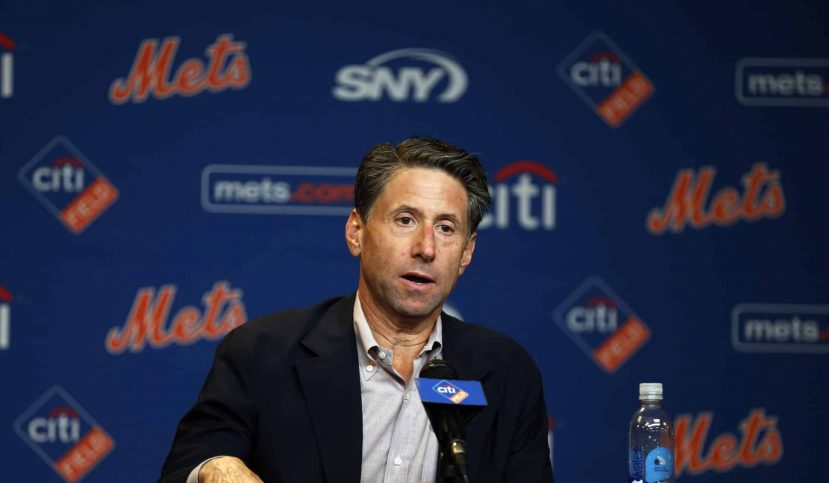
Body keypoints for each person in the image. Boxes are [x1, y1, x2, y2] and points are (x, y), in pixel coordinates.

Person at [159, 137, 553, 483]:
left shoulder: (506, 373)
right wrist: (216, 466)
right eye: (405, 220)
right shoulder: (262, 353)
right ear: (356, 232)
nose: (426, 248)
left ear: (466, 252)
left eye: (446, 228)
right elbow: (191, 464)